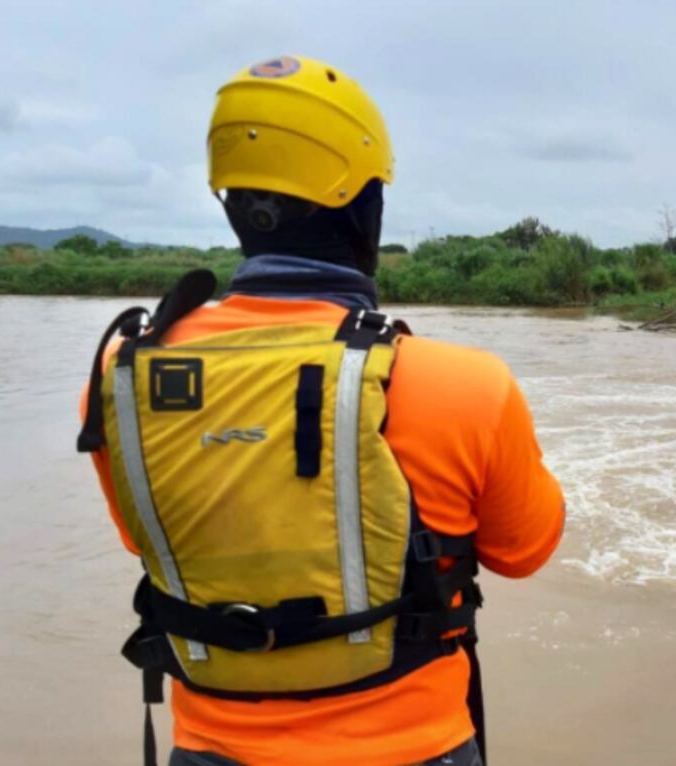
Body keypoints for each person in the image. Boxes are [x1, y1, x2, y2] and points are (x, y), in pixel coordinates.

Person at [77, 55, 565, 766]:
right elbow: (526, 552)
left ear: (235, 206)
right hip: (417, 747)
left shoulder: (121, 377)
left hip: (209, 747)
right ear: (367, 208)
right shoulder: (465, 385)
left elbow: (147, 539)